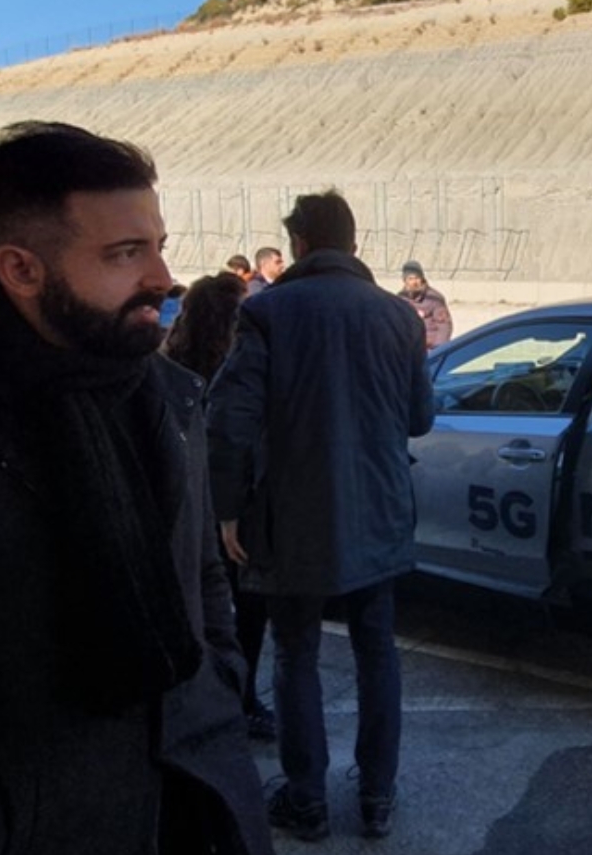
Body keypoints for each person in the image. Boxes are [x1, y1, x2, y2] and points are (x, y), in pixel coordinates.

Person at [0, 121, 274, 854]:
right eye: (125, 253)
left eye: (158, 245)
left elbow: (205, 584)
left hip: (197, 808)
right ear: (22, 270)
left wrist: (217, 688)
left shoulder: (174, 398)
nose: (162, 277)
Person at [208, 190, 434, 843]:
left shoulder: (268, 312)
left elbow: (231, 420)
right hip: (381, 511)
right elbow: (420, 417)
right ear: (354, 244)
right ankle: (377, 796)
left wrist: (227, 511)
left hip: (292, 515)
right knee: (377, 652)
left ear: (299, 245)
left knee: (297, 652)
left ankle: (305, 799)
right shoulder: (399, 316)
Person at [162, 271, 276, 742]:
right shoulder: (241, 366)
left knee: (194, 600)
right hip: (231, 504)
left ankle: (203, 691)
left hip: (183, 505)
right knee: (244, 607)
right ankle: (241, 696)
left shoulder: (168, 365)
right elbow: (235, 442)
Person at [398, 259, 453, 349]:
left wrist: (437, 349)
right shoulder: (400, 299)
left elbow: (444, 326)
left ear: (422, 279)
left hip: (430, 347)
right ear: (405, 281)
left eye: (417, 278)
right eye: (410, 279)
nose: (414, 282)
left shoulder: (434, 298)